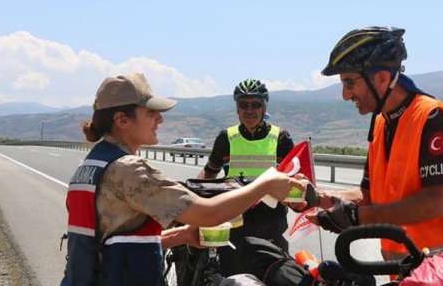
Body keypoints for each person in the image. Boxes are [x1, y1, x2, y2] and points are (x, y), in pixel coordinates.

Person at [60, 73, 302, 286]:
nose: (160, 120)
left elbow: (113, 243)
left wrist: (182, 236)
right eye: (151, 113)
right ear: (122, 120)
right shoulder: (128, 170)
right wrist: (266, 184)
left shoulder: (91, 165)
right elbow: (208, 214)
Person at [306, 27, 443, 263]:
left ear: (382, 78)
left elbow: (434, 203)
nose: (345, 94)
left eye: (350, 82)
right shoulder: (382, 123)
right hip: (412, 271)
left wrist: (357, 218)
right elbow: (370, 199)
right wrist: (319, 198)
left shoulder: (433, 118)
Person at [198, 78, 295, 273]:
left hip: (271, 224)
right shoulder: (226, 138)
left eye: (256, 104)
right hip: (234, 223)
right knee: (232, 276)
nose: (249, 110)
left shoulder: (281, 138)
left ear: (264, 106)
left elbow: (293, 180)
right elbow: (208, 174)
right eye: (244, 105)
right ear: (237, 109)